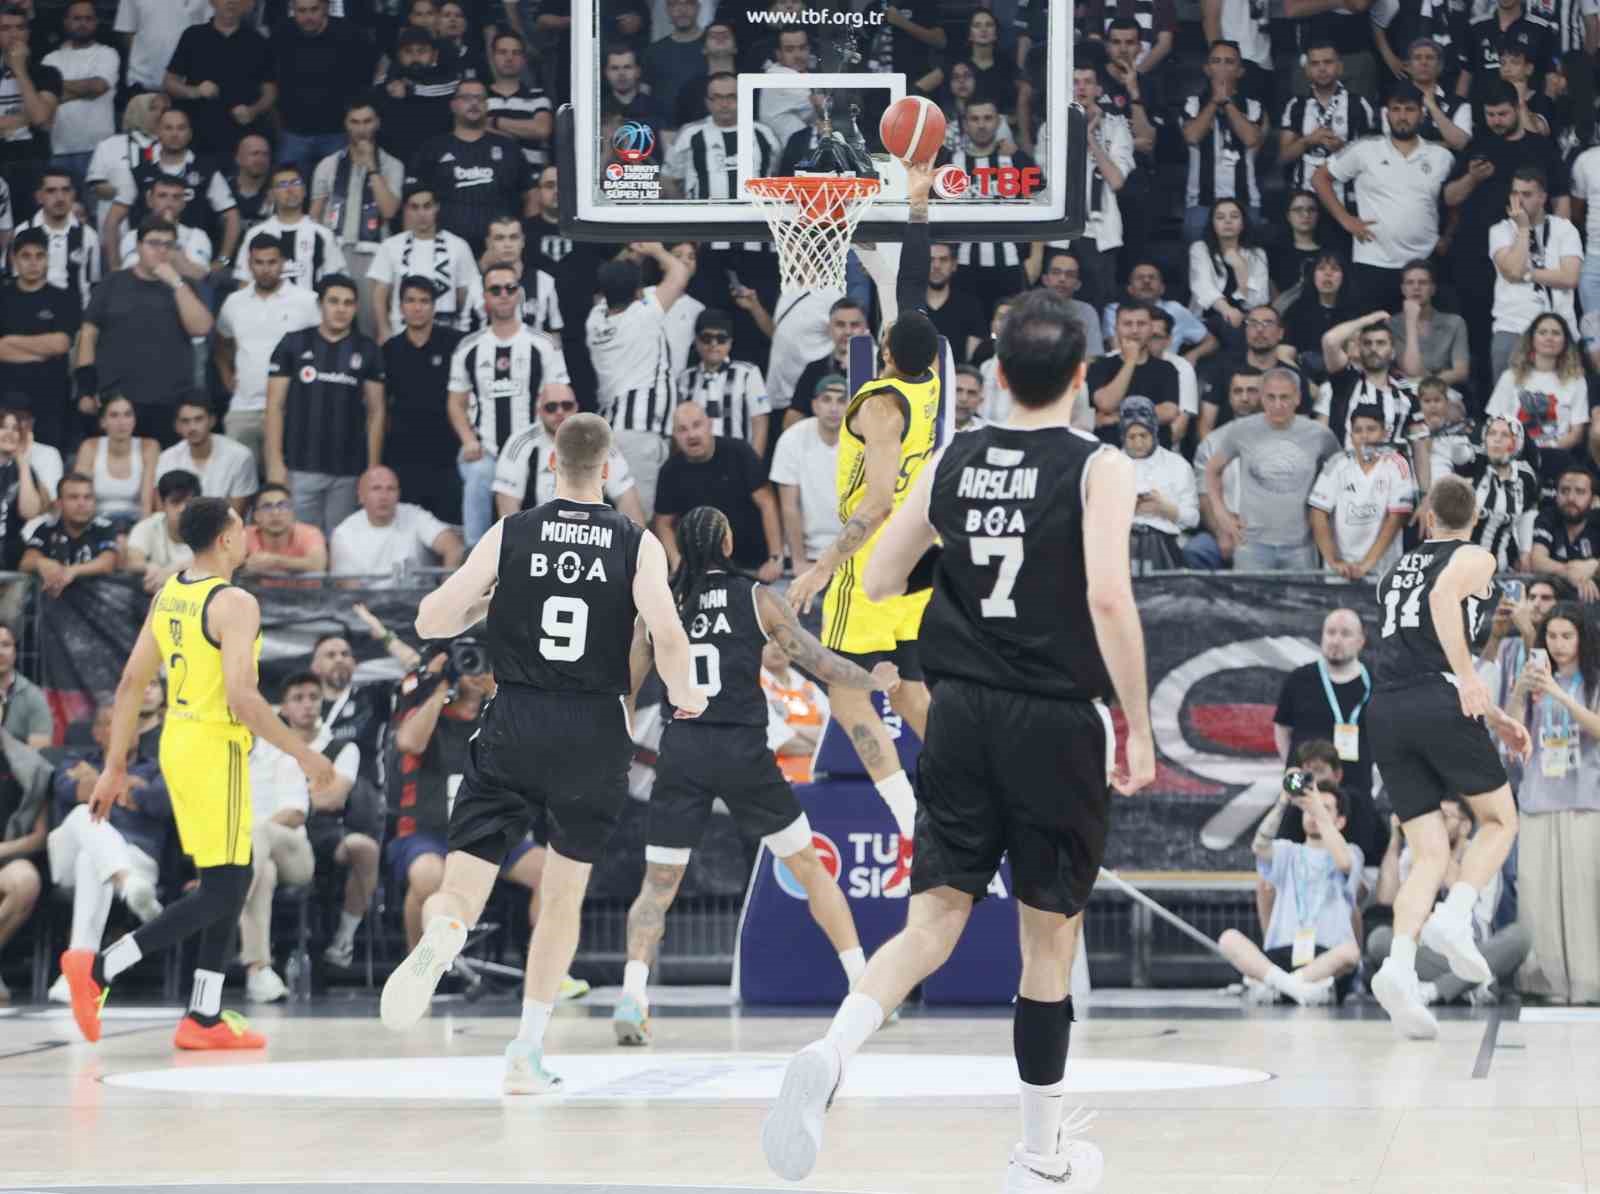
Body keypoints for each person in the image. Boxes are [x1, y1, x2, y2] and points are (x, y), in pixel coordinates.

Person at [761, 287, 1155, 1190]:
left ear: (999, 373)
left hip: (963, 713)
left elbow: (883, 573)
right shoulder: (1099, 466)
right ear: (1083, 374)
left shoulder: (954, 455)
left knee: (932, 921)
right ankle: (1039, 1154)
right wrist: (1134, 723)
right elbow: (1107, 597)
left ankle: (830, 1052)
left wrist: (954, 581)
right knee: (1047, 941)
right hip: (1054, 718)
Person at [380, 414, 706, 1096]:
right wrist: (686, 695)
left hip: (516, 718)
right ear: (608, 471)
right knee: (561, 898)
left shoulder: (512, 531)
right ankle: (525, 1051)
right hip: (595, 729)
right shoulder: (636, 541)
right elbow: (668, 634)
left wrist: (486, 607)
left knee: (464, 881)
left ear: (551, 466)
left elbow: (430, 619)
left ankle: (445, 930)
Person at [58, 497, 337, 1048]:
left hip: (178, 742)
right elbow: (243, 699)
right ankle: (101, 969)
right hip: (215, 744)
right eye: (241, 524)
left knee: (228, 879)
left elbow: (130, 684)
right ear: (226, 538)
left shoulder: (171, 592)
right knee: (226, 885)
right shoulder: (235, 603)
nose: (248, 531)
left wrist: (115, 768)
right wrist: (305, 754)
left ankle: (203, 1016)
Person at [615, 505, 895, 1045]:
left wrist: (619, 742)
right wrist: (873, 679)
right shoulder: (756, 597)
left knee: (658, 883)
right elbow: (819, 662)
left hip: (684, 747)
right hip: (743, 749)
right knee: (810, 868)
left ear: (682, 549)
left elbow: (628, 686)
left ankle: (632, 996)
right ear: (727, 544)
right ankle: (863, 988)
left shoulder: (662, 602)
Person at [783, 164, 947, 894]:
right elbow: (910, 295)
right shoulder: (928, 381)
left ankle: (909, 819)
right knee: (909, 688)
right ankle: (970, 782)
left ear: (884, 352)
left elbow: (876, 501)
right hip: (919, 555)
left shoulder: (879, 404)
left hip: (874, 560)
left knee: (846, 690)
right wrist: (917, 207)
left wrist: (821, 568)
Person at [1366, 474, 1530, 1039]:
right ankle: (1455, 918)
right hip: (1436, 697)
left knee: (1430, 852)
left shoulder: (1395, 570)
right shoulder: (1477, 556)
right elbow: (1440, 605)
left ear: (1427, 518)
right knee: (1500, 819)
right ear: (1475, 518)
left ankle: (1399, 966)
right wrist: (1469, 679)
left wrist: (1494, 715)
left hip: (1386, 708)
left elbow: (1416, 649)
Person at [1504, 601, 1600, 1002]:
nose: (1558, 644)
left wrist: (1560, 694)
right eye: (1552, 636)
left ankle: (1588, 981)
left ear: (1582, 639)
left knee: (1582, 892)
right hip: (1538, 796)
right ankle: (1543, 982)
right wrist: (1518, 693)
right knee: (1537, 893)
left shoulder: (1593, 681)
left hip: (1585, 799)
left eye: (1566, 636)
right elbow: (1512, 736)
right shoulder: (1533, 681)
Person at [44, 700, 169, 1003]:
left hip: (136, 855)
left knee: (92, 860)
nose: (128, 729)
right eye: (116, 723)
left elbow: (161, 803)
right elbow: (71, 790)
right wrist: (127, 787)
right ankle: (127, 883)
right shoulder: (74, 760)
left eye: (132, 723)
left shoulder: (157, 768)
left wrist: (98, 781)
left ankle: (76, 973)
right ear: (98, 732)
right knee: (82, 815)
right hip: (66, 857)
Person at [447, 261, 572, 546]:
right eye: (495, 289)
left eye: (510, 288)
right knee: (479, 473)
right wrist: (468, 440)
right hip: (487, 448)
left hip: (534, 445)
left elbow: (560, 396)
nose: (503, 294)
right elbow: (455, 403)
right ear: (485, 297)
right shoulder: (468, 347)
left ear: (519, 293)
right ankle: (475, 553)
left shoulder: (544, 344)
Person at [1367, 797, 1531, 1005]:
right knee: (1379, 939)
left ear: (1465, 826)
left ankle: (1435, 989)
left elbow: (1459, 889)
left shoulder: (1482, 856)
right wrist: (1396, 839)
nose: (1436, 824)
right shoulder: (1415, 854)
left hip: (1474, 949)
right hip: (1427, 953)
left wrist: (1433, 849)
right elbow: (1386, 898)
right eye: (1434, 817)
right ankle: (1472, 985)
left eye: (1444, 817)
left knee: (1519, 937)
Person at [1219, 780, 1363, 1006]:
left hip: (1325, 958)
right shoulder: (1288, 851)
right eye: (1309, 808)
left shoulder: (1351, 852)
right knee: (1228, 939)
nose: (1313, 813)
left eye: (1325, 808)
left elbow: (1344, 863)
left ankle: (1279, 987)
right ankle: (1296, 988)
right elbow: (1260, 845)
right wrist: (1282, 803)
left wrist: (1318, 811)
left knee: (1350, 952)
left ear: (1340, 821)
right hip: (1283, 953)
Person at [1315, 84, 1455, 313]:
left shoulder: (1441, 157)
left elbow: (1454, 201)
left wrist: (1447, 235)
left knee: (1421, 331)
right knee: (1372, 331)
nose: (1402, 116)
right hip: (1372, 262)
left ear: (1422, 114)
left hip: (1423, 262)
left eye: (1409, 109)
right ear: (1386, 114)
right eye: (1396, 109)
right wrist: (1346, 220)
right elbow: (1320, 178)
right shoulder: (1365, 149)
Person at [265, 274, 387, 536]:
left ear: (356, 308)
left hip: (348, 470)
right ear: (320, 304)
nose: (341, 309)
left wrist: (372, 468)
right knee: (299, 541)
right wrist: (274, 461)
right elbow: (274, 406)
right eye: (334, 301)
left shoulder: (368, 349)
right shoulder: (293, 343)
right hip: (300, 465)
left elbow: (376, 412)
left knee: (341, 543)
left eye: (348, 303)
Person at [77, 216, 214, 441]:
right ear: (139, 246)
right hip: (119, 400)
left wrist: (176, 282)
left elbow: (201, 328)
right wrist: (85, 389)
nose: (161, 251)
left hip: (171, 400)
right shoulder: (112, 283)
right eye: (153, 243)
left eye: (168, 245)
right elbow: (88, 334)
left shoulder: (185, 287)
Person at [585, 242, 691, 520]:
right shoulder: (643, 315)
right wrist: (655, 250)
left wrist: (631, 250)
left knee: (627, 517)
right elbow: (679, 273)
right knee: (637, 520)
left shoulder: (594, 320)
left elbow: (611, 279)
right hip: (639, 432)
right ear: (637, 293)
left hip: (615, 428)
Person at [1204, 368, 1341, 570]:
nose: (1278, 405)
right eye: (1271, 397)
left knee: (1303, 593)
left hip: (1301, 545)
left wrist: (1324, 518)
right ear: (1261, 397)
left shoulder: (1320, 434)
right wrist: (1221, 514)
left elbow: (1342, 472)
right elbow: (1211, 470)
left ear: (1297, 397)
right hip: (1251, 544)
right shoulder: (1242, 430)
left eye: (1285, 397)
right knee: (1247, 593)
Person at [215, 238, 323, 464]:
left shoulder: (306, 301)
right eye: (259, 262)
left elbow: (323, 349)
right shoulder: (234, 302)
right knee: (238, 480)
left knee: (285, 480)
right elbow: (222, 343)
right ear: (249, 263)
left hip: (291, 409)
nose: (265, 269)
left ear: (283, 262)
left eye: (272, 262)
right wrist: (227, 377)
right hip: (243, 408)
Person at [407, 76, 534, 256]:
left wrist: (525, 241)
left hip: (501, 250)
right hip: (445, 251)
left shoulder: (509, 148)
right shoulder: (432, 149)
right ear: (453, 105)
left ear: (487, 105)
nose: (474, 103)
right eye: (466, 98)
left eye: (480, 98)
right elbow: (413, 204)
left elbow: (531, 195)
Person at [652, 401, 782, 575]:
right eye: (682, 430)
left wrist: (775, 558)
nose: (691, 435)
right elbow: (663, 523)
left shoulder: (739, 452)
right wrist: (677, 563)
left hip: (754, 562)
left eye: (697, 425)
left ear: (710, 425)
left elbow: (767, 503)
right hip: (702, 568)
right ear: (674, 435)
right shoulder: (670, 471)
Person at [492, 388, 645, 524]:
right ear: (539, 411)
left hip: (589, 532)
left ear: (576, 408)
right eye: (551, 407)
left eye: (567, 406)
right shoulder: (520, 443)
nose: (559, 412)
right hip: (537, 532)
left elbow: (626, 497)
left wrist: (639, 544)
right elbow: (507, 503)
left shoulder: (599, 439)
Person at [1487, 166, 1581, 381]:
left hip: (1559, 329)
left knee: (1564, 398)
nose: (1519, 201)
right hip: (1513, 327)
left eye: (1527, 194)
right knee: (1508, 401)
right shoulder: (1500, 230)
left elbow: (1570, 278)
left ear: (1542, 197)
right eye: (1515, 194)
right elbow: (1513, 270)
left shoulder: (1565, 229)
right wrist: (1523, 229)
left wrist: (1528, 274)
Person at [383, 277, 464, 522]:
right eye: (410, 301)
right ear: (400, 307)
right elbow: (381, 408)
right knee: (408, 530)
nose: (417, 307)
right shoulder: (389, 350)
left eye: (424, 301)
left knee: (449, 529)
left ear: (434, 306)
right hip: (403, 457)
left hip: (448, 456)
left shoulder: (456, 344)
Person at [1308, 406, 1416, 581]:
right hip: (1340, 570)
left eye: (1371, 429)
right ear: (1351, 436)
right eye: (1358, 431)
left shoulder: (1397, 464)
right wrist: (1334, 561)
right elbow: (1318, 513)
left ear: (1385, 433)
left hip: (1381, 570)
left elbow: (1396, 519)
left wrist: (1366, 564)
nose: (1364, 436)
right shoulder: (1337, 463)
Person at [1486, 312, 1588, 493]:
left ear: (1565, 341)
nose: (1549, 337)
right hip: (1514, 453)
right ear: (1532, 339)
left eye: (1556, 333)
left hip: (1557, 455)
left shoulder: (1576, 380)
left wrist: (1548, 448)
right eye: (1543, 332)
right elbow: (1495, 423)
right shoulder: (1510, 377)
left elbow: (1576, 434)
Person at [161, 0, 275, 159]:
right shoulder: (193, 36)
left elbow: (270, 92)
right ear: (212, 2)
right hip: (198, 134)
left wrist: (253, 111)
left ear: (246, 4)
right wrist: (195, 91)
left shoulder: (258, 42)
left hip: (240, 138)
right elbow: (169, 82)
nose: (231, 2)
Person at [1180, 41, 1264, 245]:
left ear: (1240, 71)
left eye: (1229, 62)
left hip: (1245, 202)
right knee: (1199, 261)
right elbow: (1192, 136)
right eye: (1216, 61)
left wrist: (1226, 102)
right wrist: (1214, 102)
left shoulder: (1254, 106)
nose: (1222, 67)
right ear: (1207, 69)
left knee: (1246, 261)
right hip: (1201, 203)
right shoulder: (1192, 103)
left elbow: (1251, 138)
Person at [369, 184, 477, 343]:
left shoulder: (458, 246)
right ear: (406, 210)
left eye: (427, 206)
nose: (421, 213)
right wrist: (384, 330)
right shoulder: (390, 246)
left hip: (447, 331)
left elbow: (465, 294)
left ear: (436, 208)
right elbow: (380, 294)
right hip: (401, 332)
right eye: (415, 207)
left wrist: (463, 329)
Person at [329, 466, 464, 583]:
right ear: (361, 496)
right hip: (368, 602)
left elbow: (454, 547)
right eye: (376, 489)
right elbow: (350, 589)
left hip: (419, 600)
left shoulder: (415, 515)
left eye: (391, 489)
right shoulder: (344, 533)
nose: (384, 496)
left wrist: (446, 592)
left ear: (398, 494)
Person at [234, 164, 348, 295]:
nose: (290, 189)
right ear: (271, 195)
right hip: (267, 307)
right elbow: (244, 281)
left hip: (310, 307)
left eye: (295, 183)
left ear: (304, 190)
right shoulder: (255, 234)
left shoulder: (323, 234)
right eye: (282, 185)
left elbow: (336, 283)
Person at [42, 2, 117, 197]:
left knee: (98, 210)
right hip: (60, 149)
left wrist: (57, 87)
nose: (83, 23)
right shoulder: (50, 59)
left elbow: (97, 87)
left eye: (88, 18)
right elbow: (44, 100)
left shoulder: (108, 54)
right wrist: (85, 89)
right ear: (66, 22)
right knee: (61, 209)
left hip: (100, 149)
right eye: (77, 18)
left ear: (96, 22)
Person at [675, 309, 771, 456]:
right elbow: (678, 426)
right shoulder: (685, 378)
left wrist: (754, 464)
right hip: (696, 460)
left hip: (737, 459)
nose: (714, 344)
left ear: (730, 342)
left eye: (721, 338)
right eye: (707, 338)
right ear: (696, 341)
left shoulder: (747, 373)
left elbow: (760, 424)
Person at [1086, 301, 1182, 448]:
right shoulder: (1100, 365)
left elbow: (1169, 412)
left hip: (1155, 452)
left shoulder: (1166, 369)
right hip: (1110, 452)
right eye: (1127, 324)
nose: (1134, 330)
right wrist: (1130, 361)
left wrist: (1117, 417)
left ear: (1151, 329)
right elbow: (1106, 404)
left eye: (1141, 324)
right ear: (1116, 329)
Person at [1121, 396, 1198, 574]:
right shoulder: (1108, 464)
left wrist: (1165, 508)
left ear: (1154, 433)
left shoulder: (1177, 465)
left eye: (1143, 436)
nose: (1138, 443)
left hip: (1166, 544)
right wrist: (1128, 507)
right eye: (1131, 437)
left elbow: (1193, 519)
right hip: (1120, 544)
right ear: (1122, 436)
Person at [1188, 198, 1271, 350]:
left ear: (1243, 224)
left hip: (1247, 320)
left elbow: (1259, 300)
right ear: (1213, 224)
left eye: (1234, 216)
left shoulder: (1257, 254)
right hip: (1207, 319)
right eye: (1220, 217)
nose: (1227, 221)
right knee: (1231, 327)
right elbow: (1203, 287)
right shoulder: (1200, 249)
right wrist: (1228, 311)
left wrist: (1240, 267)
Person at [14, 168, 99, 315]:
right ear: (39, 197)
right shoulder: (21, 232)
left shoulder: (88, 235)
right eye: (51, 191)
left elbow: (94, 284)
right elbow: (14, 282)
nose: (60, 197)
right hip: (30, 316)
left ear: (73, 194)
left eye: (66, 190)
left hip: (76, 317)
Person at [20, 471, 117, 599]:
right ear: (59, 503)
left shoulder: (104, 527)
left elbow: (108, 563)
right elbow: (26, 561)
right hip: (54, 603)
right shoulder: (46, 528)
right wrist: (42, 563)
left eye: (88, 497)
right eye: (73, 497)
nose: (82, 503)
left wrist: (72, 571)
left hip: (97, 603)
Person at [156, 396, 259, 516]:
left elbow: (235, 515)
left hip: (225, 525)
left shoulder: (240, 456)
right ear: (177, 426)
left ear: (212, 420)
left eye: (198, 419)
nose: (192, 427)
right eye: (185, 421)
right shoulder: (166, 458)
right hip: (179, 525)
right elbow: (163, 512)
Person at [1462, 414, 1539, 570]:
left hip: (1501, 568)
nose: (1497, 439)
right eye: (1492, 433)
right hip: (1464, 566)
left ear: (1517, 442)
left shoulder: (1525, 477)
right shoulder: (1472, 467)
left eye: (1505, 435)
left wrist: (1525, 553)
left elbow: (1526, 515)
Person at [70, 395, 154, 527]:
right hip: (96, 523)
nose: (122, 422)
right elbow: (79, 494)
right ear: (103, 422)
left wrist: (142, 535)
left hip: (136, 525)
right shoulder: (89, 446)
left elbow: (147, 502)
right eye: (114, 415)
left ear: (134, 421)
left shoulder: (149, 446)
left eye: (127, 415)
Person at [1391, 261, 1470, 390]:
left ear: (1432, 289)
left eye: (1423, 282)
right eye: (1410, 283)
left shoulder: (1455, 322)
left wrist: (1429, 384)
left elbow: (1461, 371)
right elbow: (1411, 371)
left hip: (1442, 390)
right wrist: (1411, 321)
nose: (1416, 287)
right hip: (1405, 391)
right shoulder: (1392, 324)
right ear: (1403, 289)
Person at [1529, 466, 1600, 601]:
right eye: (1564, 491)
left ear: (1593, 499)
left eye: (1580, 492)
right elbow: (1537, 560)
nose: (1571, 498)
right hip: (1553, 596)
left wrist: (1594, 565)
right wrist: (1568, 572)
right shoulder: (1547, 517)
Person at [124, 468, 199, 594]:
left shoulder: (209, 529)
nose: (182, 509)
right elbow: (132, 561)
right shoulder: (148, 526)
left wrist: (172, 572)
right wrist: (149, 567)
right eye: (175, 502)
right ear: (163, 504)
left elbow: (218, 561)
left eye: (188, 502)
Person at [242, 482, 329, 581]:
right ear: (256, 516)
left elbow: (318, 565)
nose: (275, 513)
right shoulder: (245, 535)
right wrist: (245, 567)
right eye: (267, 506)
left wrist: (275, 561)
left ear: (292, 513)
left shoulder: (310, 533)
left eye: (282, 505)